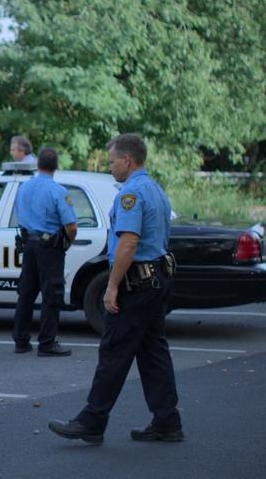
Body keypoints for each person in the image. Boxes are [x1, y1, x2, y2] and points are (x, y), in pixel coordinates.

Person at [49, 133, 183, 445]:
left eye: (111, 162)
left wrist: (111, 286)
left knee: (114, 350)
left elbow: (128, 241)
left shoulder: (132, 193)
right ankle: (166, 420)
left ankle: (92, 420)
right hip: (157, 279)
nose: (109, 167)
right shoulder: (155, 188)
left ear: (127, 159)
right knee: (153, 352)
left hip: (137, 283)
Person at [12, 147, 77, 356]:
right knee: (51, 294)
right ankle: (47, 343)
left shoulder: (23, 188)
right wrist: (67, 243)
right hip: (49, 248)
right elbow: (71, 226)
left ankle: (21, 341)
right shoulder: (58, 191)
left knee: (26, 294)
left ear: (37, 164)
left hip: (28, 245)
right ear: (56, 166)